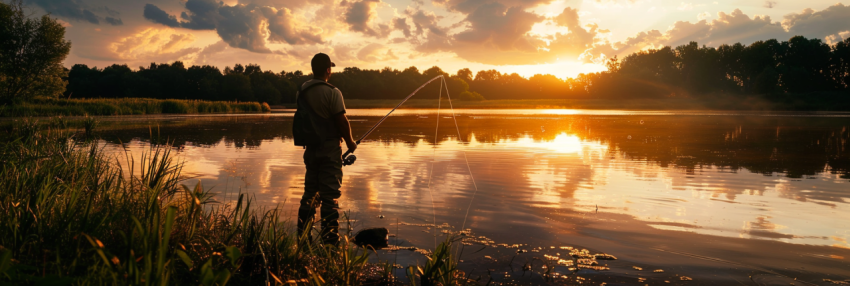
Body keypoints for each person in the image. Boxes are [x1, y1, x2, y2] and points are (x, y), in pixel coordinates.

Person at [296, 53, 357, 245]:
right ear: (327, 70)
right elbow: (341, 120)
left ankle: (303, 239)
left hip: (310, 150)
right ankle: (330, 242)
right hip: (330, 149)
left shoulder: (302, 90)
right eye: (330, 68)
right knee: (330, 197)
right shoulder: (333, 92)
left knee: (310, 194)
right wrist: (350, 143)